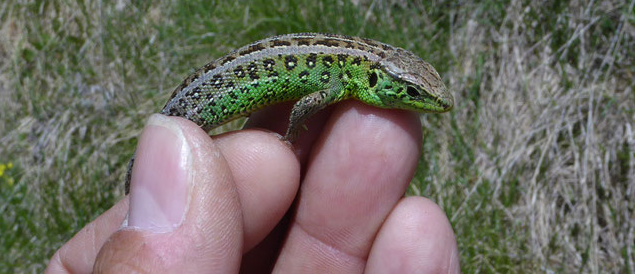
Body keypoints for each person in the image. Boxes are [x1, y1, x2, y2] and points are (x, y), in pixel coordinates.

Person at [46, 101, 460, 273]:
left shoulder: (342, 74)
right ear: (376, 79)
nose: (421, 104)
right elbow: (300, 107)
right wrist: (292, 134)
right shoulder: (337, 78)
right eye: (410, 94)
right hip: (202, 99)